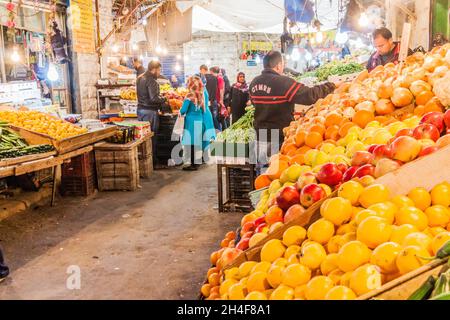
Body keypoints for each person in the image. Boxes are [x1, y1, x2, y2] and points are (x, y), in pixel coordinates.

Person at [249, 51, 338, 170]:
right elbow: (309, 95)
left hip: (260, 134)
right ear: (279, 66)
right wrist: (331, 86)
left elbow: (255, 103)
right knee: (276, 172)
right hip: (278, 135)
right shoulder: (283, 83)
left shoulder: (254, 83)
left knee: (263, 172)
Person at [136, 60, 167, 168]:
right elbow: (154, 99)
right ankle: (153, 163)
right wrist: (164, 99)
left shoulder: (140, 78)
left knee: (143, 137)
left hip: (141, 110)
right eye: (159, 70)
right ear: (153, 69)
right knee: (152, 137)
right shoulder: (151, 81)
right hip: (150, 112)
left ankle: (144, 163)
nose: (159, 72)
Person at [180, 76, 205, 171]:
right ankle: (197, 163)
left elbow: (183, 110)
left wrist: (181, 111)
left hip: (190, 122)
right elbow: (203, 110)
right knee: (197, 142)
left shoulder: (189, 96)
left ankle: (192, 165)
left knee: (190, 143)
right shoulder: (201, 95)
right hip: (199, 120)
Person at [201, 77, 216, 158]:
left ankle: (204, 154)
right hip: (207, 112)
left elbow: (202, 106)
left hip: (204, 113)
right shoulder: (204, 89)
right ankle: (205, 154)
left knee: (204, 133)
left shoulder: (202, 90)